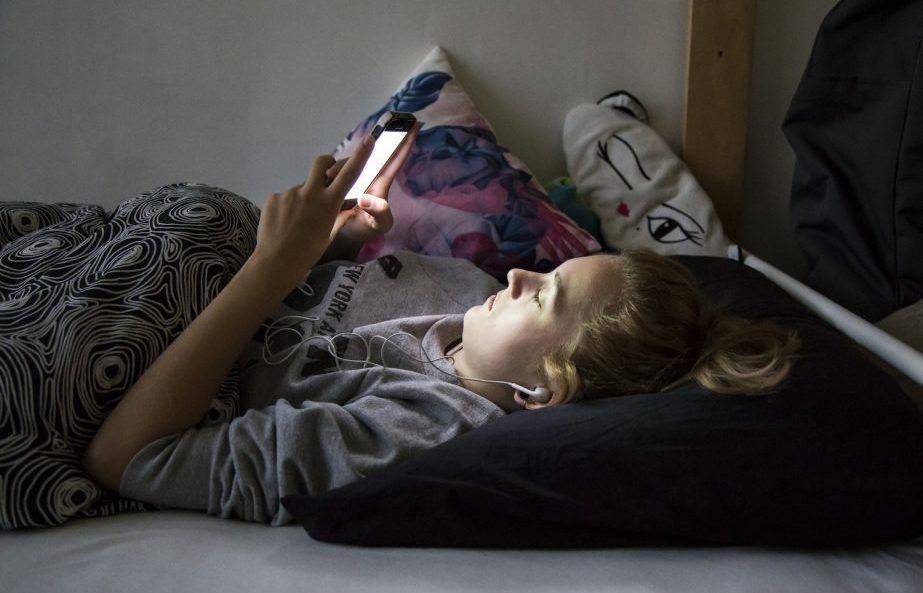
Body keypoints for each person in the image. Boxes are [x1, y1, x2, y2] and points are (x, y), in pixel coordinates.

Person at [82, 126, 798, 525]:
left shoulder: (410, 428)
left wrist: (269, 267)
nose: (520, 273)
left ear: (541, 391)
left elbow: (128, 458)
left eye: (541, 296)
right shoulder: (467, 286)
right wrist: (334, 243)